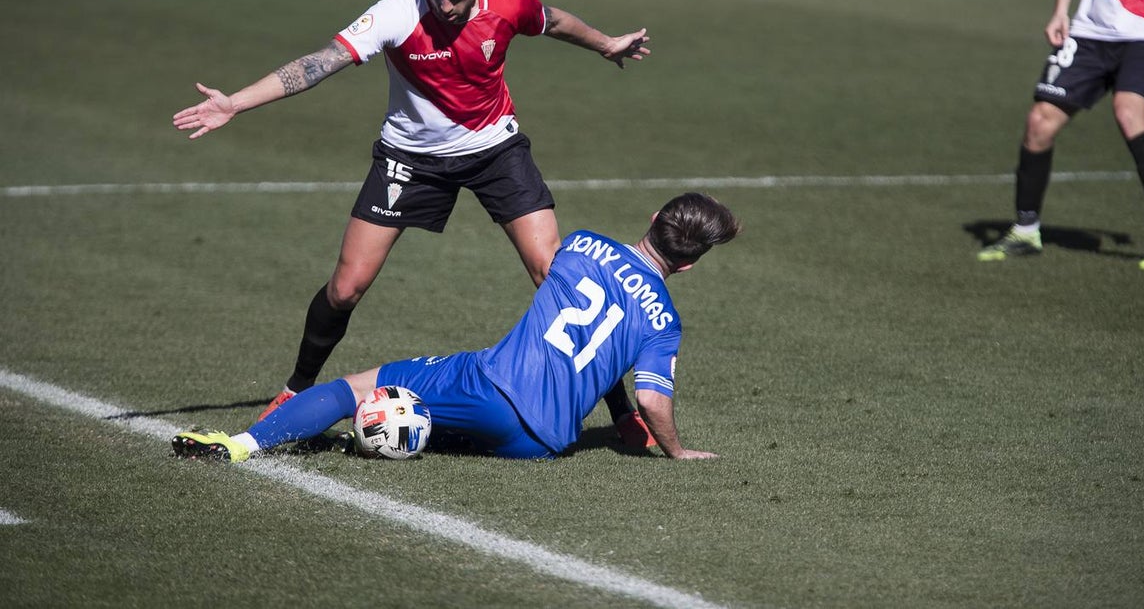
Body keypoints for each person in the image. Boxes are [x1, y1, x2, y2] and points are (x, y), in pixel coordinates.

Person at [172, 0, 657, 442]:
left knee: (553, 274)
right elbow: (320, 64)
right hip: (410, 157)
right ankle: (296, 390)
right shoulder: (398, 12)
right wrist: (236, 103)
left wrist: (606, 44)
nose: (445, 7)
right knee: (346, 286)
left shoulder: (508, 2)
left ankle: (621, 410)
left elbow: (553, 20)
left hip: (495, 150)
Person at [172, 193, 741, 462]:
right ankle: (388, 431)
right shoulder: (664, 321)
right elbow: (652, 398)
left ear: (651, 219)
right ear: (689, 264)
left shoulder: (585, 245)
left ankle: (240, 444)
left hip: (489, 387)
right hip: (545, 445)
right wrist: (677, 451)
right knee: (444, 414)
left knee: (356, 387)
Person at [977, 0, 1144, 270]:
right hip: (1090, 33)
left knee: (1129, 114)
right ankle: (1025, 230)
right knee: (1040, 121)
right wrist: (1061, 9)